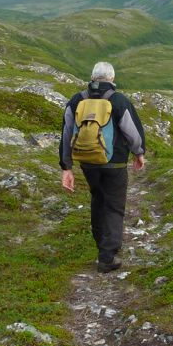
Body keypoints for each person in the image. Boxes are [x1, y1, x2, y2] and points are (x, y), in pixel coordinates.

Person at [60, 61, 146, 273]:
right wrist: (139, 153)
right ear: (112, 79)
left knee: (98, 200)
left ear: (92, 78)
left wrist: (66, 167)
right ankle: (107, 257)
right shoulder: (118, 100)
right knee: (114, 206)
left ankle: (102, 245)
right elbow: (132, 132)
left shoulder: (77, 100)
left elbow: (66, 133)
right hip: (114, 164)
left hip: (87, 163)